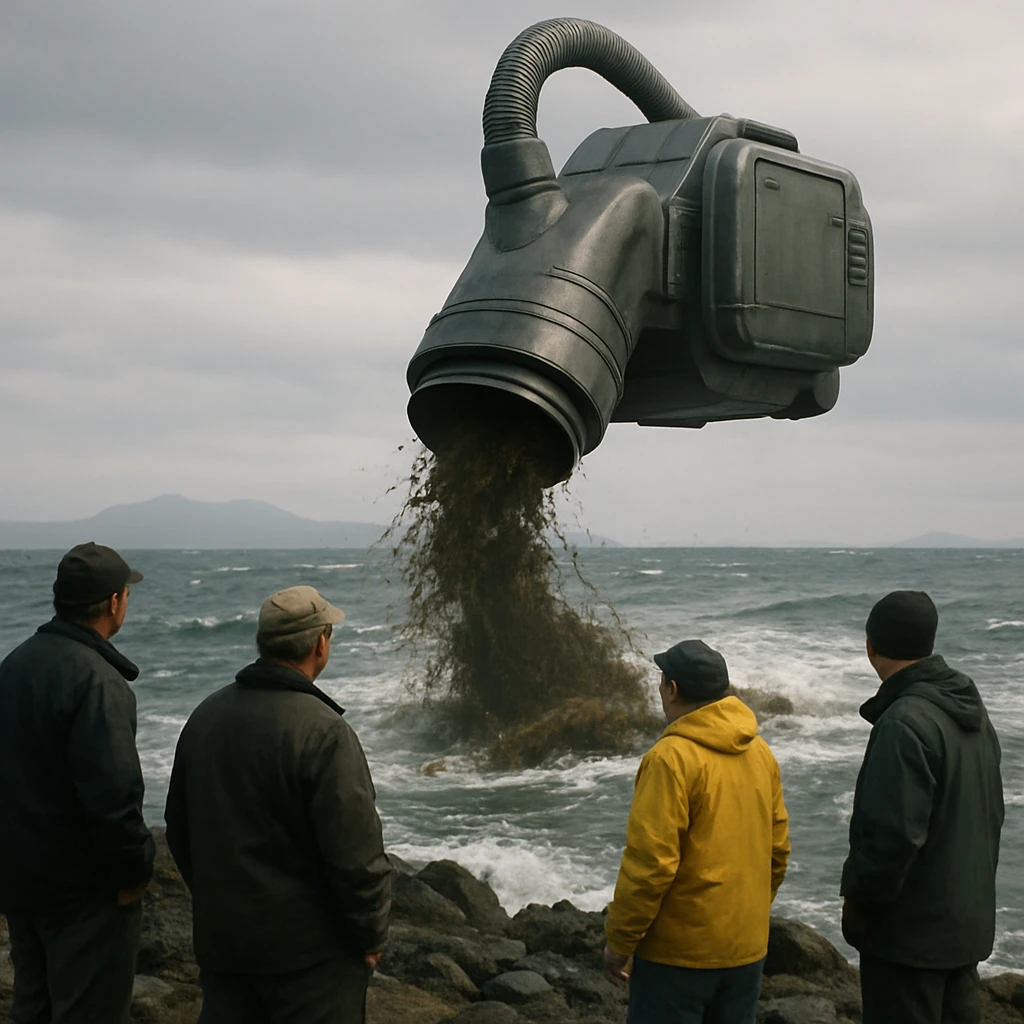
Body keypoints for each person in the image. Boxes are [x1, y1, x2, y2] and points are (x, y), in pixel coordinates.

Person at [165, 585, 391, 1024]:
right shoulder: (324, 731)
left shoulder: (205, 717)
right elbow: (354, 854)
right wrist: (371, 932)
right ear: (320, 644)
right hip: (311, 958)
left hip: (226, 946)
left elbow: (179, 828)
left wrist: (217, 903)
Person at [0, 541, 154, 1024]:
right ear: (114, 601)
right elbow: (113, 795)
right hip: (83, 893)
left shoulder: (14, 665)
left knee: (32, 1006)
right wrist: (132, 873)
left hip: (20, 882)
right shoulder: (98, 680)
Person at [603, 639, 790, 1024]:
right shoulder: (760, 752)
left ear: (672, 690)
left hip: (678, 958)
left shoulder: (669, 759)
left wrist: (620, 942)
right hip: (746, 949)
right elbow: (778, 851)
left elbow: (651, 865)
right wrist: (744, 919)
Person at [841, 591, 1004, 1024]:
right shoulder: (970, 711)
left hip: (909, 941)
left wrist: (859, 907)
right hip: (963, 928)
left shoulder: (904, 722)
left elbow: (891, 837)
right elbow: (991, 814)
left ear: (870, 646)